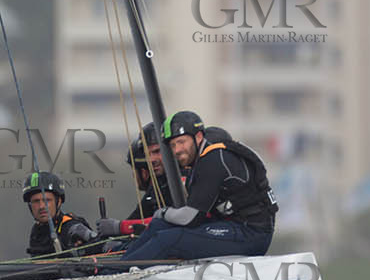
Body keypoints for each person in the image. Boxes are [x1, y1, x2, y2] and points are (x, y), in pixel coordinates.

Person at [122, 111, 277, 261]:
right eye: (173, 145)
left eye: (181, 142)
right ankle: (116, 268)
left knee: (169, 239)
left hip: (251, 234)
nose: (177, 150)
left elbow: (190, 218)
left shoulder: (212, 159)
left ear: (198, 137)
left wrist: (163, 213)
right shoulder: (203, 160)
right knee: (159, 225)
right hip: (232, 226)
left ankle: (118, 273)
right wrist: (162, 218)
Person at [23, 171, 97, 258]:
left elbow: (102, 245)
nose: (42, 206)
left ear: (59, 202)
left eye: (47, 200)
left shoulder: (72, 227)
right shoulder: (37, 232)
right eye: (36, 201)